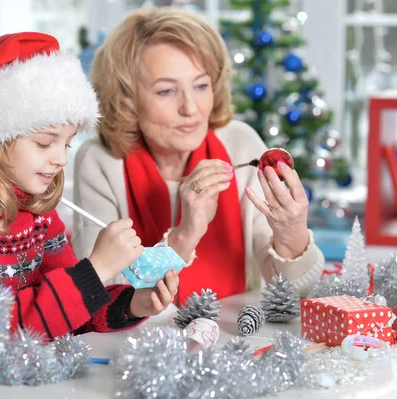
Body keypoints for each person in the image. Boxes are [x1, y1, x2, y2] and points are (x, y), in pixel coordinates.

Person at [0, 32, 179, 388]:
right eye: (44, 142)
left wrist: (134, 304)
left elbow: (65, 312)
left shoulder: (36, 211)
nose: (59, 158)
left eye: (66, 143)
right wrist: (96, 270)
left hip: (12, 368)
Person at [72, 8, 324, 303]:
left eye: (201, 85)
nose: (190, 108)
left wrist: (292, 234)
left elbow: (292, 294)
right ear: (127, 98)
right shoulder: (100, 161)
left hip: (236, 338)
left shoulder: (241, 144)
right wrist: (184, 236)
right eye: (166, 91)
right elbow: (98, 294)